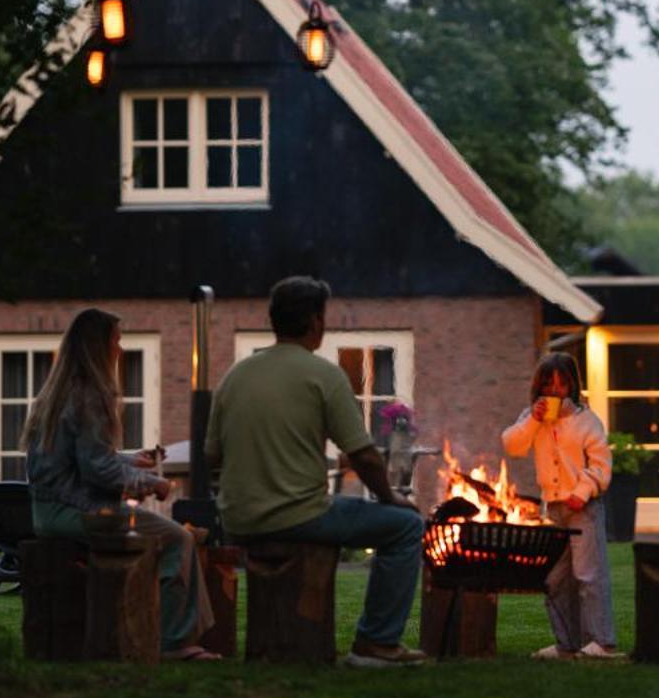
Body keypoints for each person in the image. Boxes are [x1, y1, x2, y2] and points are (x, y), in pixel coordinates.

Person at [207, 276, 427, 668]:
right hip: (298, 515)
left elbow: (212, 456)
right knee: (405, 526)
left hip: (239, 518)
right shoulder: (322, 374)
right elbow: (364, 455)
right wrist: (390, 497)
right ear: (315, 323)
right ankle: (376, 643)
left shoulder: (234, 376)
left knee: (366, 515)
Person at [25, 307, 219, 660]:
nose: (121, 348)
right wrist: (152, 484)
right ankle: (173, 642)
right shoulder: (90, 396)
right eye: (116, 340)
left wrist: (132, 459)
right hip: (78, 512)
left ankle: (178, 632)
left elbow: (86, 457)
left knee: (174, 537)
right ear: (99, 347)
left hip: (46, 510)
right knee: (179, 539)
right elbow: (97, 471)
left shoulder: (56, 393)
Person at [501, 352, 618, 660]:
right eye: (548, 384)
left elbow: (602, 464)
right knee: (555, 578)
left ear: (572, 386)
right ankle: (567, 643)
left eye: (562, 384)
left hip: (584, 507)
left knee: (588, 575)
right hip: (553, 509)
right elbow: (512, 445)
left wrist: (583, 490)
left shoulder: (586, 420)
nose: (555, 391)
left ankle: (601, 642)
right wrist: (534, 420)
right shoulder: (532, 419)